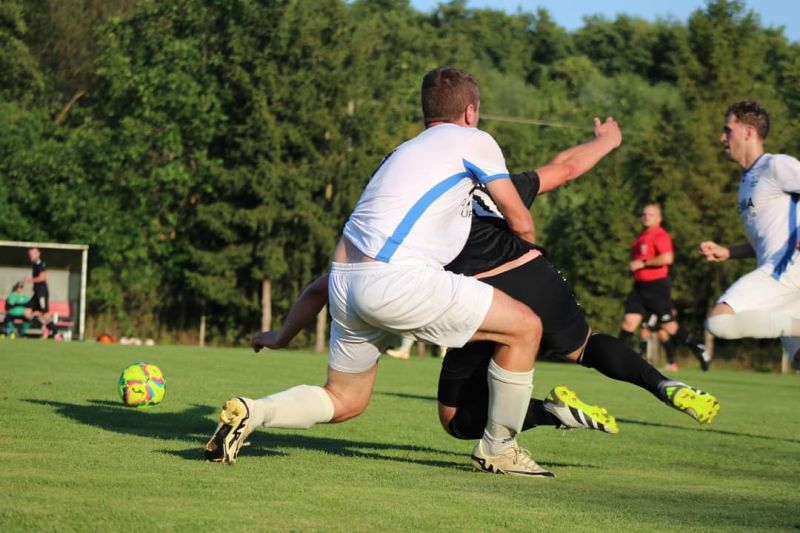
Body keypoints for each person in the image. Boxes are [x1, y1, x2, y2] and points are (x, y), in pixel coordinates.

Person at [249, 116, 720, 476]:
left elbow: (326, 284)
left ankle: (530, 425)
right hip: (533, 274)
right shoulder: (498, 188)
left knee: (456, 420)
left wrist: (282, 334)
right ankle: (662, 384)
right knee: (586, 344)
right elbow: (566, 167)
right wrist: (607, 141)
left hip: (475, 292)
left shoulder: (419, 210)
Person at [206, 67, 550, 477]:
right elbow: (521, 220)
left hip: (345, 283)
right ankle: (499, 449)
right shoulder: (474, 141)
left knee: (345, 399)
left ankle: (254, 411)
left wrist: (281, 336)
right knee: (526, 327)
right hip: (395, 282)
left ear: (427, 111)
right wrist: (534, 270)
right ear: (471, 112)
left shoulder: (402, 155)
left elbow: (324, 286)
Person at [701, 100, 800, 370]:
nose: (722, 137)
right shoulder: (746, 182)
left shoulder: (776, 165)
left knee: (719, 321)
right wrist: (730, 251)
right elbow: (766, 240)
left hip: (787, 272)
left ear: (748, 132)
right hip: (781, 278)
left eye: (727, 130)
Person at [618, 204, 711, 371]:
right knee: (629, 321)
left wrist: (643, 263)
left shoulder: (660, 235)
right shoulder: (641, 236)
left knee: (669, 326)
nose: (647, 217)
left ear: (659, 218)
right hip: (639, 287)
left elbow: (667, 258)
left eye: (651, 214)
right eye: (644, 214)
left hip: (656, 287)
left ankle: (698, 347)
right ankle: (615, 360)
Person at [23, 247, 50, 338]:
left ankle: (56, 333)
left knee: (45, 313)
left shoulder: (39, 263)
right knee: (27, 312)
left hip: (42, 293)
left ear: (38, 254)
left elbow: (43, 277)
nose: (30, 256)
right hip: (36, 293)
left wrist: (30, 280)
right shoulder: (34, 264)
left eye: (32, 254)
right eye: (30, 254)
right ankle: (43, 328)